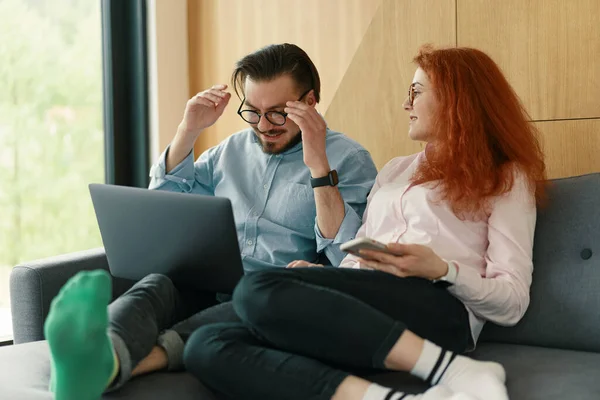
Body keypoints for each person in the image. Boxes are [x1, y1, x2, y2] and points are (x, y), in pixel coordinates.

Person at [182, 46, 547, 400]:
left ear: (457, 100)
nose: (406, 104)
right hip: (366, 304)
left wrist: (442, 269)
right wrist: (318, 276)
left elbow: (512, 303)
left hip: (439, 307)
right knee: (206, 347)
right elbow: (354, 259)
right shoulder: (395, 170)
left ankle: (451, 369)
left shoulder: (505, 177)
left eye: (416, 92)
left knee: (255, 288)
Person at [42, 43, 378, 400]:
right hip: (208, 283)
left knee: (240, 309)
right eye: (253, 111)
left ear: (310, 102)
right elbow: (164, 206)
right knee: (156, 286)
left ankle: (105, 367)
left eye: (278, 113)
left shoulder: (349, 159)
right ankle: (96, 348)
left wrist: (318, 167)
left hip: (273, 298)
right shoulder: (230, 150)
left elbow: (348, 257)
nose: (263, 126)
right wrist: (188, 131)